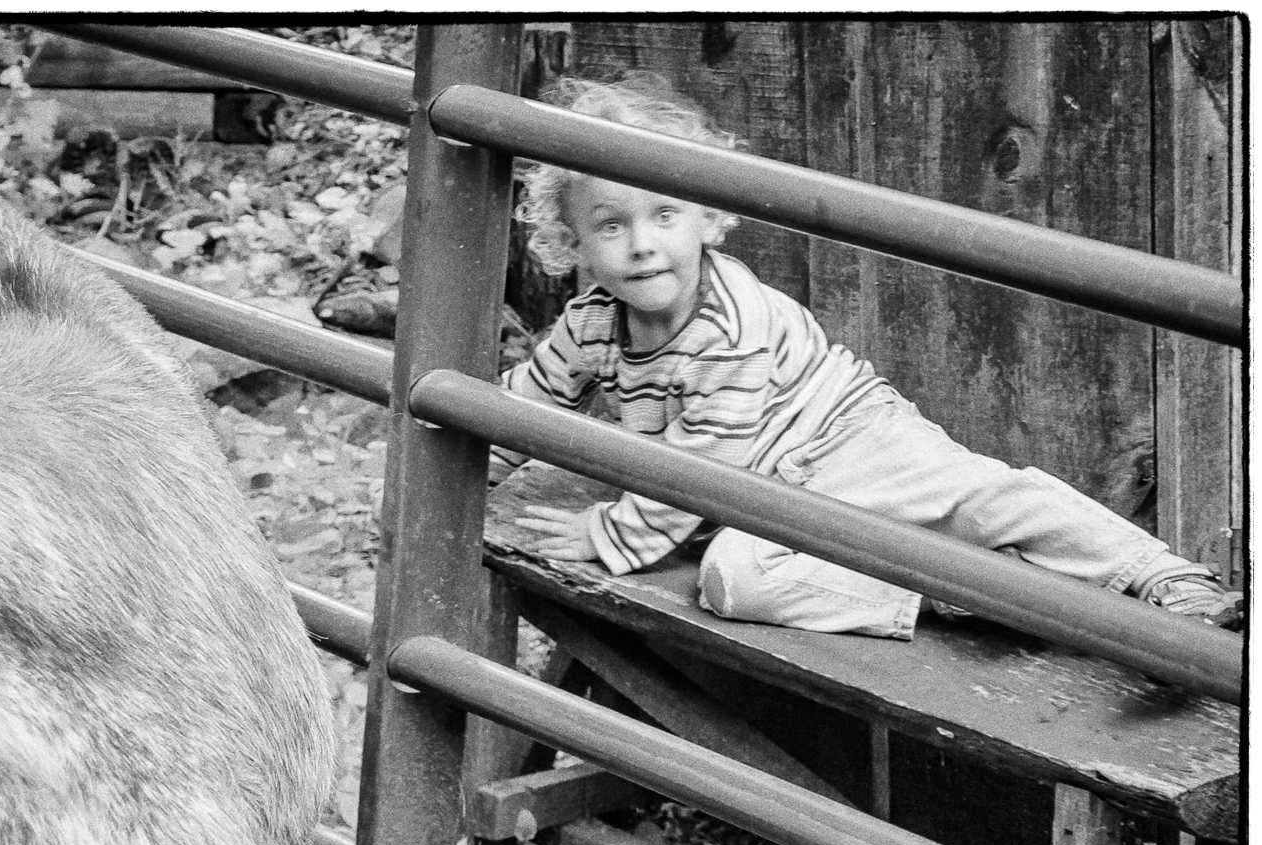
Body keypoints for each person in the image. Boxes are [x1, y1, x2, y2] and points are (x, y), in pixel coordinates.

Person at [500, 73, 1243, 637]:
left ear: (707, 216)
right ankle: (961, 594)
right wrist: (466, 450)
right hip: (762, 497)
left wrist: (609, 533)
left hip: (850, 439)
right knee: (731, 578)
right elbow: (526, 401)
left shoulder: (730, 326)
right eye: (610, 224)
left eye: (664, 213)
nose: (641, 244)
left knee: (985, 500)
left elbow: (698, 469)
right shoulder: (591, 322)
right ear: (572, 240)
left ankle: (1166, 578)